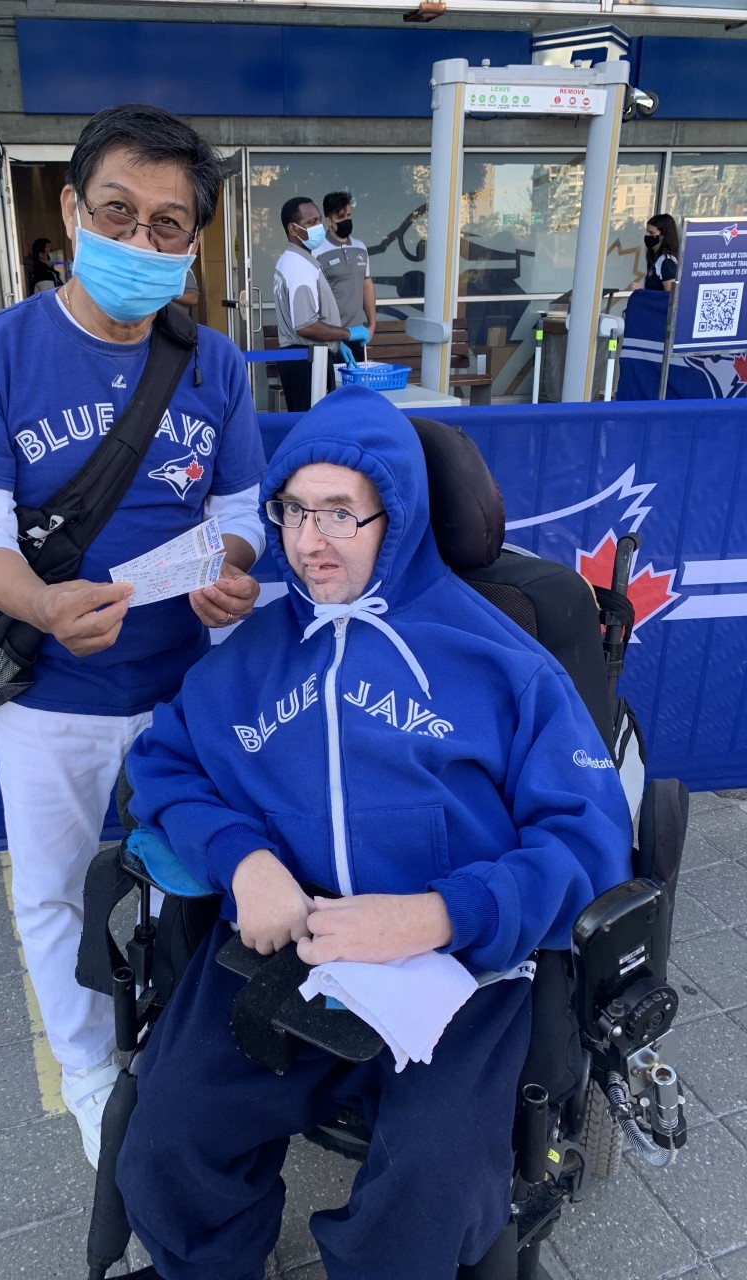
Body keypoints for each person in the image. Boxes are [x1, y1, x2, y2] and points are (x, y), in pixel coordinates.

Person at [116, 385, 634, 1280]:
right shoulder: (253, 658)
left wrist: (436, 915)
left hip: (459, 963)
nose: (308, 542)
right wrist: (243, 863)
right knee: (166, 1148)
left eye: (340, 515)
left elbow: (589, 842)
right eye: (292, 511)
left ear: (396, 517)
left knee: (428, 1199)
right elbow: (162, 766)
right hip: (295, 944)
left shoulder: (506, 661)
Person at [0, 104, 266, 1168]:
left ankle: (196, 1054)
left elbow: (242, 512)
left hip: (186, 695)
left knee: (199, 874)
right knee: (52, 891)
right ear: (71, 210)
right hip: (49, 694)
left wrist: (234, 575)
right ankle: (85, 1069)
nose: (143, 241)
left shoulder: (213, 363)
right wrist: (41, 604)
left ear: (194, 242)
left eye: (170, 226)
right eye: (119, 212)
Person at [272, 197, 366, 412]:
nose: (317, 228)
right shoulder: (299, 268)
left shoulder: (291, 260)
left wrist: (335, 343)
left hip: (305, 358)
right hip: (306, 362)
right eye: (310, 223)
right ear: (292, 229)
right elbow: (305, 325)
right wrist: (347, 334)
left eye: (318, 220)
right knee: (315, 428)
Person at [313, 190, 377, 363]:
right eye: (340, 217)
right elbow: (313, 298)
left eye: (348, 215)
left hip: (356, 335)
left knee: (355, 388)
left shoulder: (361, 248)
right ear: (328, 221)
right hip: (330, 338)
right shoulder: (317, 252)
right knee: (333, 388)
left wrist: (371, 325)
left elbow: (367, 286)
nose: (346, 221)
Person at [631, 213, 679, 292]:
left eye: (651, 233)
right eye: (647, 232)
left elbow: (669, 296)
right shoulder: (656, 258)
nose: (647, 236)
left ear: (663, 235)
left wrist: (642, 291)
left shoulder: (666, 261)